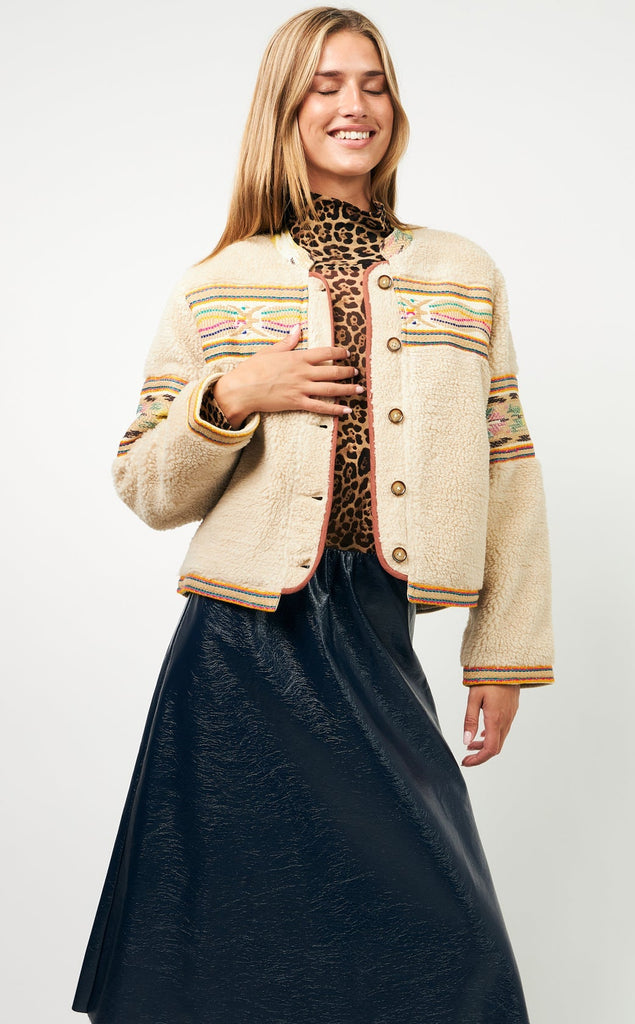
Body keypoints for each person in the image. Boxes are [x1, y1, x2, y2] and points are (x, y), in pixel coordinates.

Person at [71, 6, 554, 1023]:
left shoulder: (463, 272)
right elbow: (144, 483)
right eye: (327, 84)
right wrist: (233, 397)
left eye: (373, 84)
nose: (354, 105)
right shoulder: (215, 285)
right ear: (284, 109)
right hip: (236, 652)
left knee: (446, 933)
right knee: (220, 946)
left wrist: (499, 655)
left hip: (374, 635)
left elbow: (507, 461)